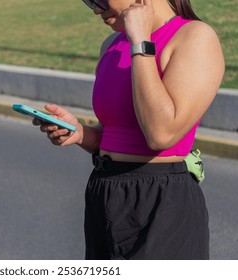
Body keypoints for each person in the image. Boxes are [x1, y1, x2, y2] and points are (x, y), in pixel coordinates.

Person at [33, 0, 225, 259]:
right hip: (105, 191)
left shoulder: (194, 37)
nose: (95, 9)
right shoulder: (111, 45)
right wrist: (80, 133)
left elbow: (161, 135)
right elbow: (114, 134)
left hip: (161, 199)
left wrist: (141, 43)